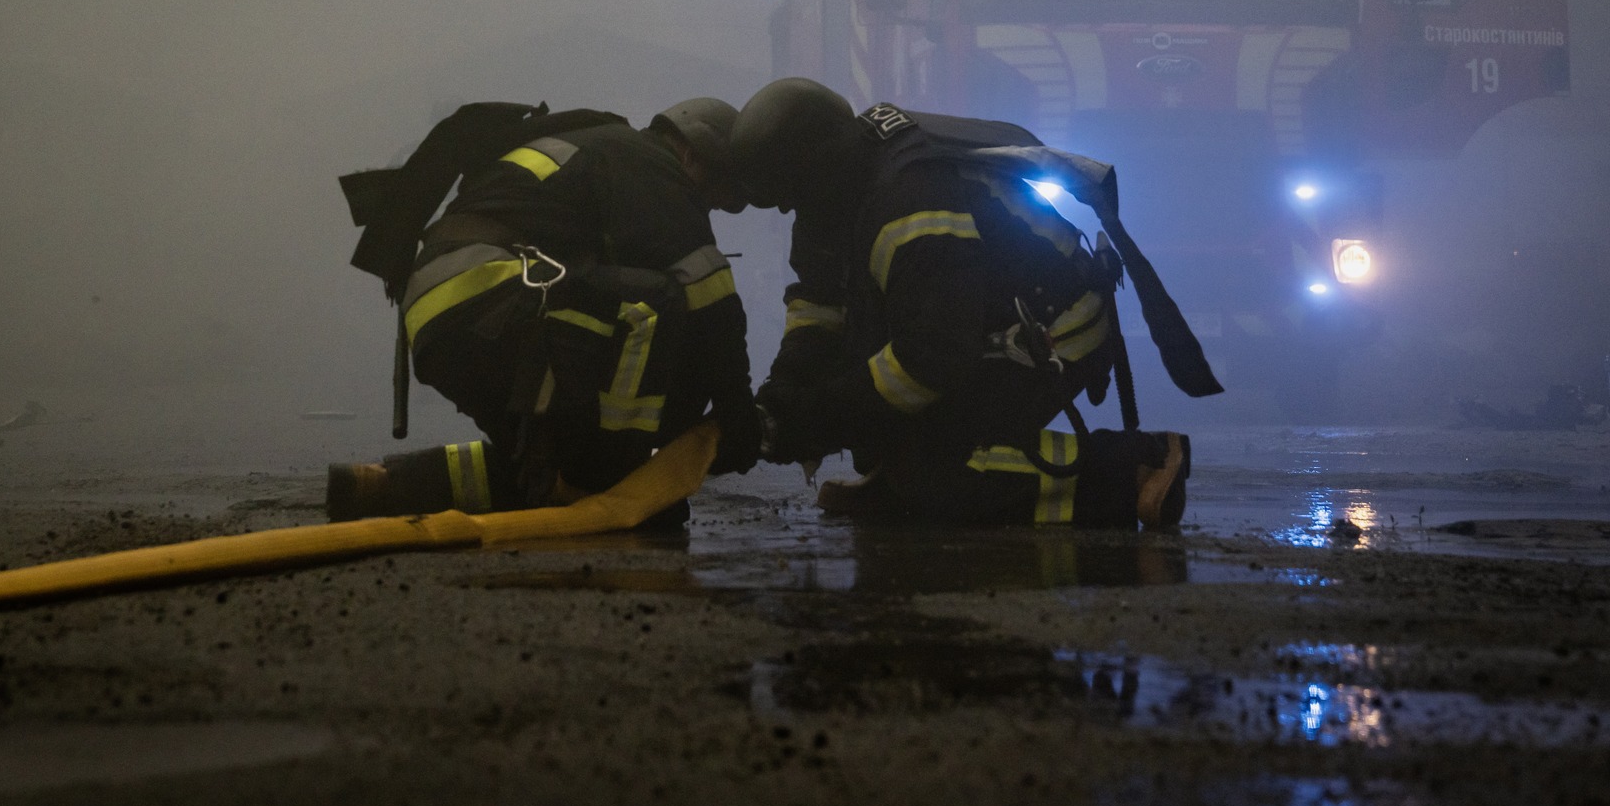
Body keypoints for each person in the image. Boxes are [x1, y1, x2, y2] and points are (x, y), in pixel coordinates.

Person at [731, 78, 1214, 530]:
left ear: (816, 165)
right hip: (972, 327)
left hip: (1056, 330)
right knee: (882, 431)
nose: (786, 208)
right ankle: (899, 480)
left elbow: (931, 358)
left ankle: (1135, 468)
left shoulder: (910, 199)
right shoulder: (833, 200)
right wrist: (780, 397)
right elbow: (819, 307)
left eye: (789, 193)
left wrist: (817, 419)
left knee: (939, 470)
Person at [329, 98, 761, 522]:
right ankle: (609, 478)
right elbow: (713, 302)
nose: (705, 209)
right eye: (712, 195)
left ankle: (380, 485)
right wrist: (738, 414)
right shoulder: (650, 161)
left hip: (447, 312)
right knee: (657, 301)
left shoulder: (602, 152)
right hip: (486, 297)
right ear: (690, 153)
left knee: (546, 473)